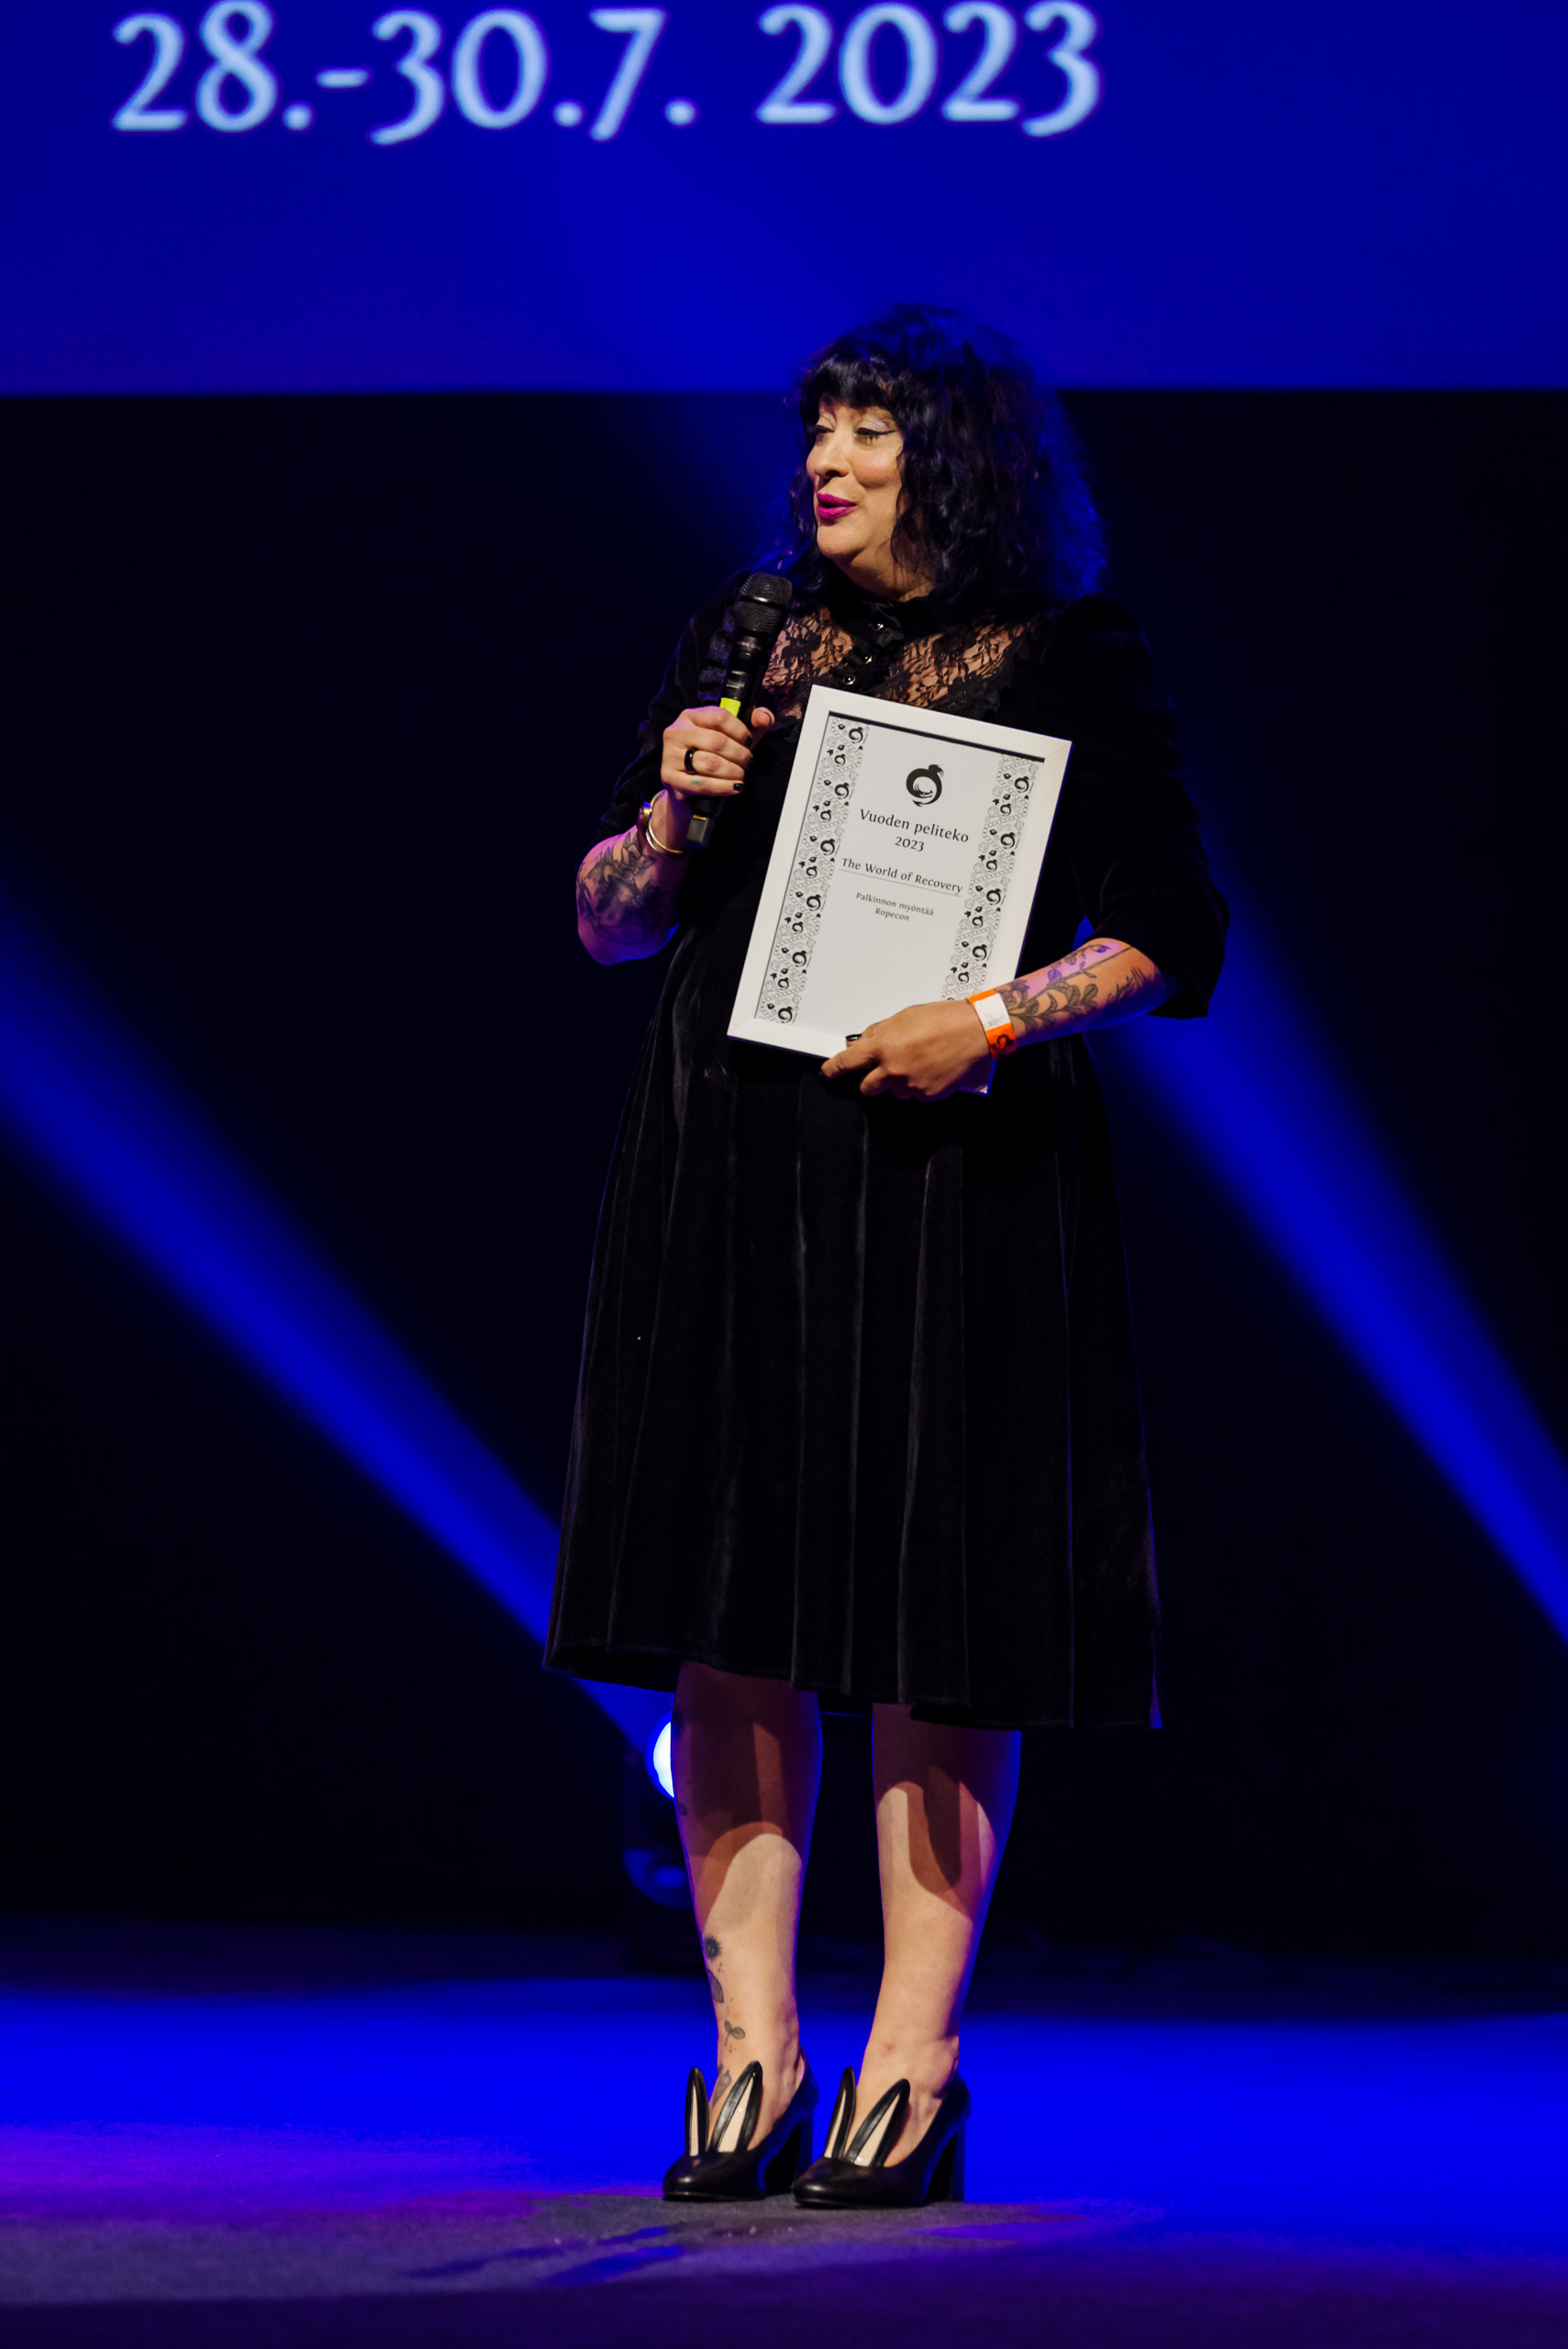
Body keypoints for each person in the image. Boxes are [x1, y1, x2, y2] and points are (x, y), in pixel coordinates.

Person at [546, 306, 1228, 2207]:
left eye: (870, 429)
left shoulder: (1069, 649)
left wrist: (989, 1017)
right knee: (727, 1596)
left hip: (951, 1164)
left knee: (940, 1605)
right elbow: (608, 923)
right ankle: (749, 2057)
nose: (827, 461)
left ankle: (911, 2073)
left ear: (961, 454)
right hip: (732, 1155)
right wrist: (668, 810)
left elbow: (1173, 928)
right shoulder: (749, 629)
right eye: (819, 428)